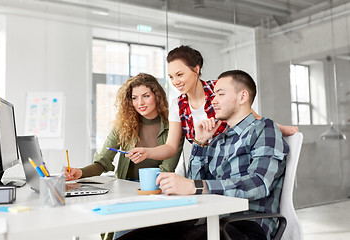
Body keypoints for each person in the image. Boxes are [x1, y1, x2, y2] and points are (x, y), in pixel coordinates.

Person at [117, 70, 289, 240]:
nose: (213, 101)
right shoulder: (220, 139)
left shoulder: (264, 128)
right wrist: (199, 143)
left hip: (246, 224)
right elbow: (195, 181)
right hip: (211, 217)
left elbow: (259, 183)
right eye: (213, 95)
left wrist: (196, 186)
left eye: (220, 94)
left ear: (242, 97)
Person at [128, 45, 297, 165]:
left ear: (196, 69)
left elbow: (251, 118)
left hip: (232, 163)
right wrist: (147, 152)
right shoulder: (178, 105)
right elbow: (171, 147)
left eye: (180, 74)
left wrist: (278, 128)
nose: (175, 82)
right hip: (202, 166)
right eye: (171, 77)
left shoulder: (219, 90)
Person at [64, 73, 184, 239]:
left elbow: (167, 168)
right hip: (124, 194)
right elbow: (102, 162)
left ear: (157, 96)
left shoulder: (174, 126)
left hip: (155, 194)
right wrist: (80, 172)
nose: (140, 103)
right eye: (134, 98)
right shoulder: (124, 125)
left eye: (146, 96)